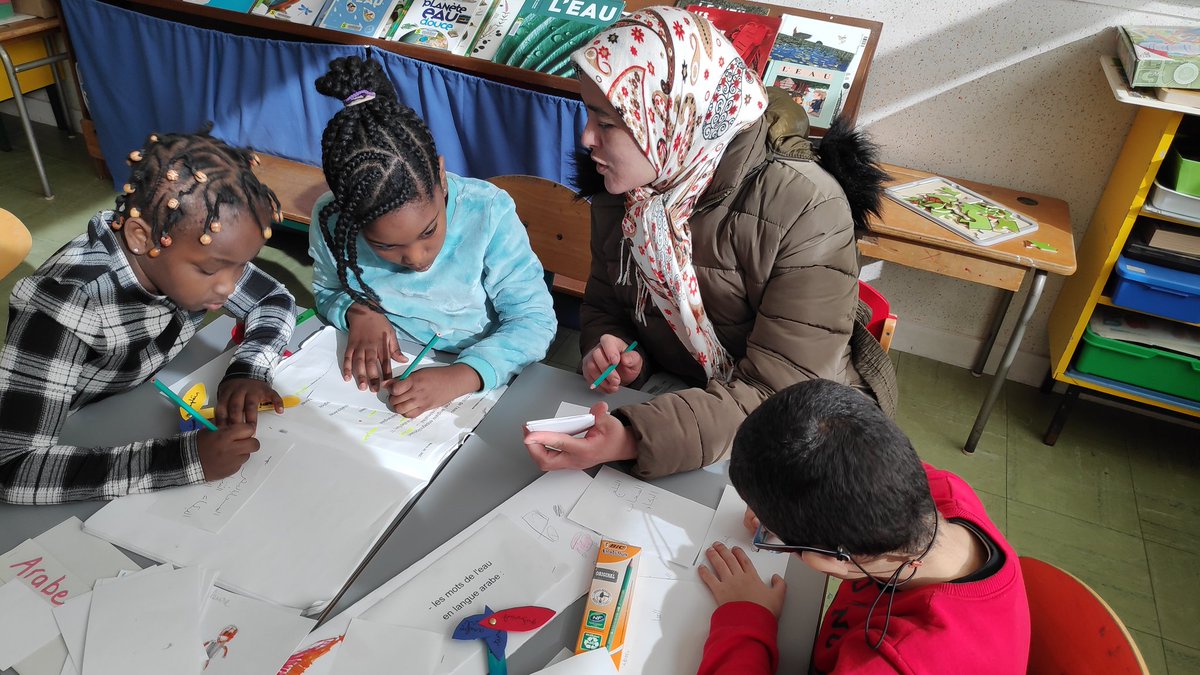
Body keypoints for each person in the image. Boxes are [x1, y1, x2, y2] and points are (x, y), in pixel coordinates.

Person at [523, 7, 896, 478]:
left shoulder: (805, 207)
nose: (586, 139)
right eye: (588, 114)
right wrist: (613, 346)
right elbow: (606, 304)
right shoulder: (629, 191)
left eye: (609, 122)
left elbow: (785, 391)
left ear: (670, 117)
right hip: (684, 399)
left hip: (800, 424)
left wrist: (634, 435)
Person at [0, 130, 297, 504]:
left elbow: (273, 298)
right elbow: (11, 468)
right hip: (62, 427)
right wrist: (185, 460)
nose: (228, 287)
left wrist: (248, 370)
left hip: (124, 409)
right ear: (141, 237)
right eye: (211, 272)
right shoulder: (66, 305)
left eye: (241, 268)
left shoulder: (180, 248)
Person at [697, 379, 1029, 673]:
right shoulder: (942, 489)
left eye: (774, 537)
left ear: (827, 558)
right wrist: (781, 500)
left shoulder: (898, 662)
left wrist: (746, 618)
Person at [309, 56, 556, 417]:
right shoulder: (331, 219)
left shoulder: (487, 212)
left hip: (488, 374)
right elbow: (328, 290)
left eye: (429, 231)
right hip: (399, 365)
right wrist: (358, 312)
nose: (418, 259)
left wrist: (462, 376)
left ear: (440, 177)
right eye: (385, 247)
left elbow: (533, 321)